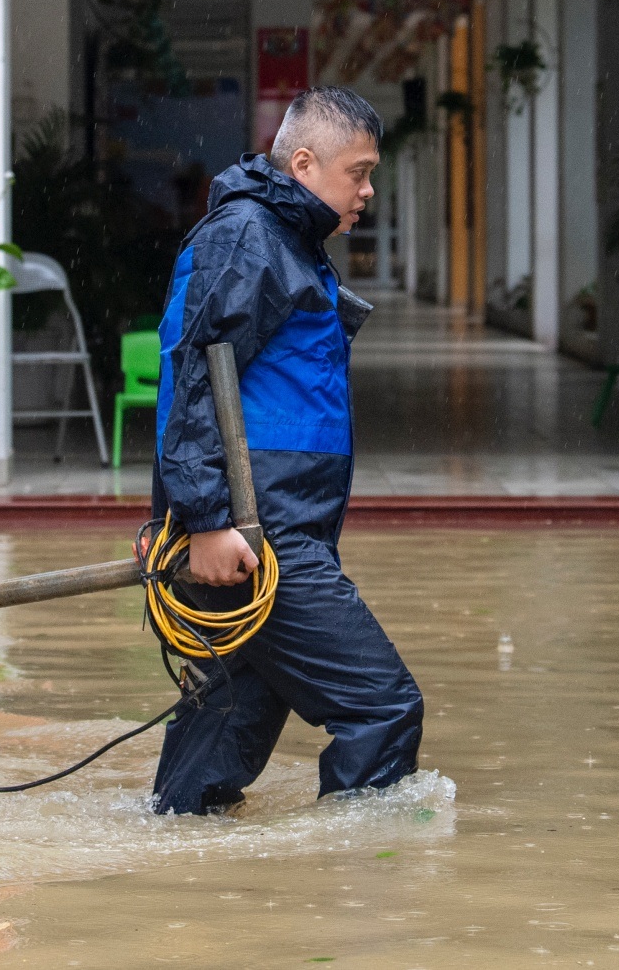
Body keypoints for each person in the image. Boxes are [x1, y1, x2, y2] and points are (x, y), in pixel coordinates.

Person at [150, 86, 424, 815]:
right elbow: (193, 377)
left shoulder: (285, 240)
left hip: (271, 533)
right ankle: (367, 890)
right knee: (383, 708)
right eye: (358, 173)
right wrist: (206, 522)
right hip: (259, 536)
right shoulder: (247, 236)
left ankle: (172, 876)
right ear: (304, 163)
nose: (367, 191)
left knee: (211, 762)